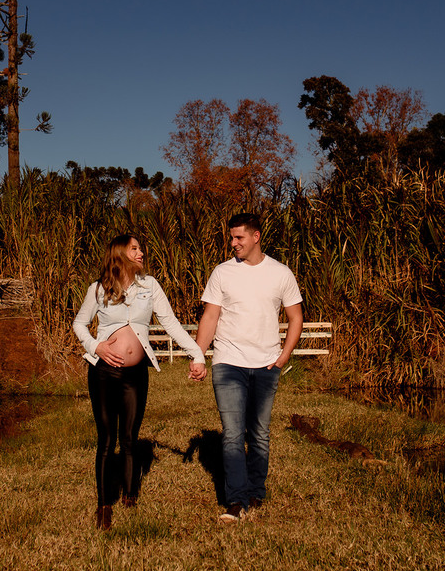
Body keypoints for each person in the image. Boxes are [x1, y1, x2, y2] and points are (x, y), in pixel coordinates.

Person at [73, 232, 207, 531]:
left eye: (141, 248)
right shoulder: (98, 289)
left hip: (135, 374)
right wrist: (97, 347)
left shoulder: (150, 286)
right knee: (107, 440)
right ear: (120, 253)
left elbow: (170, 322)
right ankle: (104, 504)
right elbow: (79, 324)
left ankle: (131, 496)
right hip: (104, 372)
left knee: (130, 438)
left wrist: (196, 354)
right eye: (135, 249)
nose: (141, 253)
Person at [196, 212, 303, 523]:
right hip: (228, 362)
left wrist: (283, 357)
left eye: (239, 238)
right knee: (232, 434)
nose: (234, 243)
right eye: (232, 237)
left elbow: (295, 317)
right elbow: (210, 316)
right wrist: (199, 355)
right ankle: (235, 501)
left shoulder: (281, 273)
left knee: (258, 433)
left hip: (267, 364)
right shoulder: (222, 272)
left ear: (256, 237)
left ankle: (256, 491)